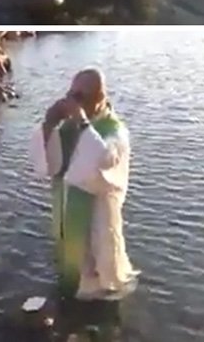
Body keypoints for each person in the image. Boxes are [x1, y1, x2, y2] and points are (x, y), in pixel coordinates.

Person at [28, 69, 139, 299]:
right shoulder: (69, 127)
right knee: (71, 271)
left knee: (98, 280)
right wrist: (49, 124)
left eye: (80, 97)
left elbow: (101, 163)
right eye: (71, 94)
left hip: (97, 216)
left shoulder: (115, 132)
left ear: (100, 98)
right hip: (67, 210)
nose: (73, 102)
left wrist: (81, 122)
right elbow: (50, 166)